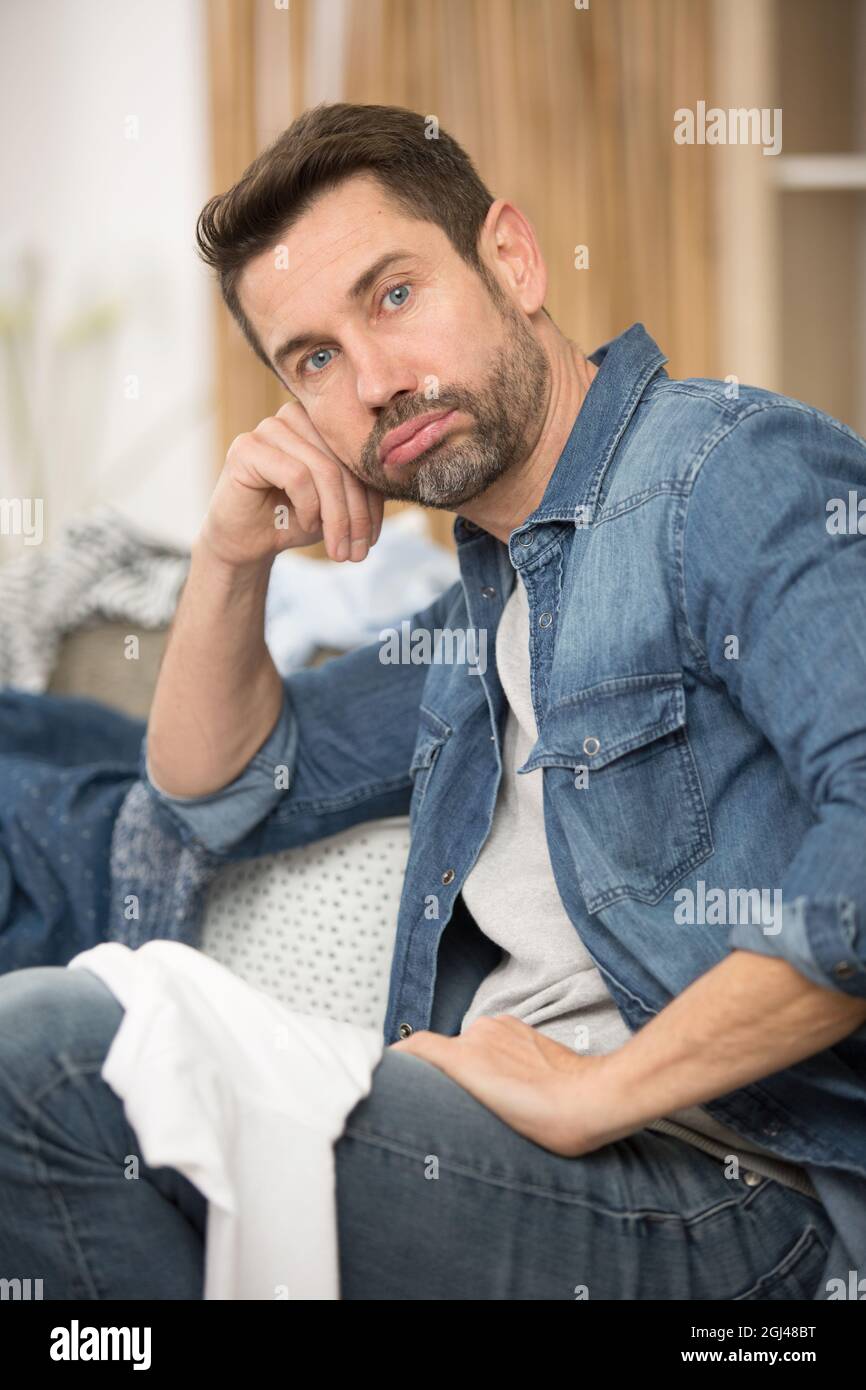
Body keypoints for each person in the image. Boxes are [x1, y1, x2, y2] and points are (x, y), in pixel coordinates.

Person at [1, 101, 864, 1300]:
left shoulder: (724, 473)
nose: (375, 383)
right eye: (312, 358)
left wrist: (601, 1089)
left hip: (727, 1187)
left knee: (43, 1065)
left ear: (510, 258)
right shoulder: (477, 607)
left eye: (392, 295)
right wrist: (227, 555)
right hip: (507, 1158)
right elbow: (213, 787)